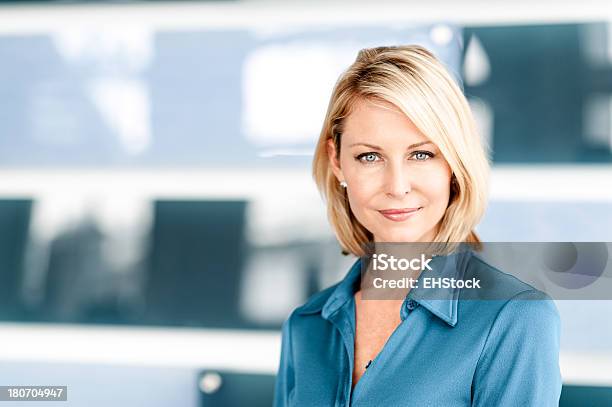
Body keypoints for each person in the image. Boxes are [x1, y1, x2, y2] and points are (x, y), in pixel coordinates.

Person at [273, 45, 561, 406]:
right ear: (337, 161)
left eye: (421, 154)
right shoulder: (306, 324)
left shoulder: (514, 318)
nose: (397, 186)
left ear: (453, 164)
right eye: (369, 156)